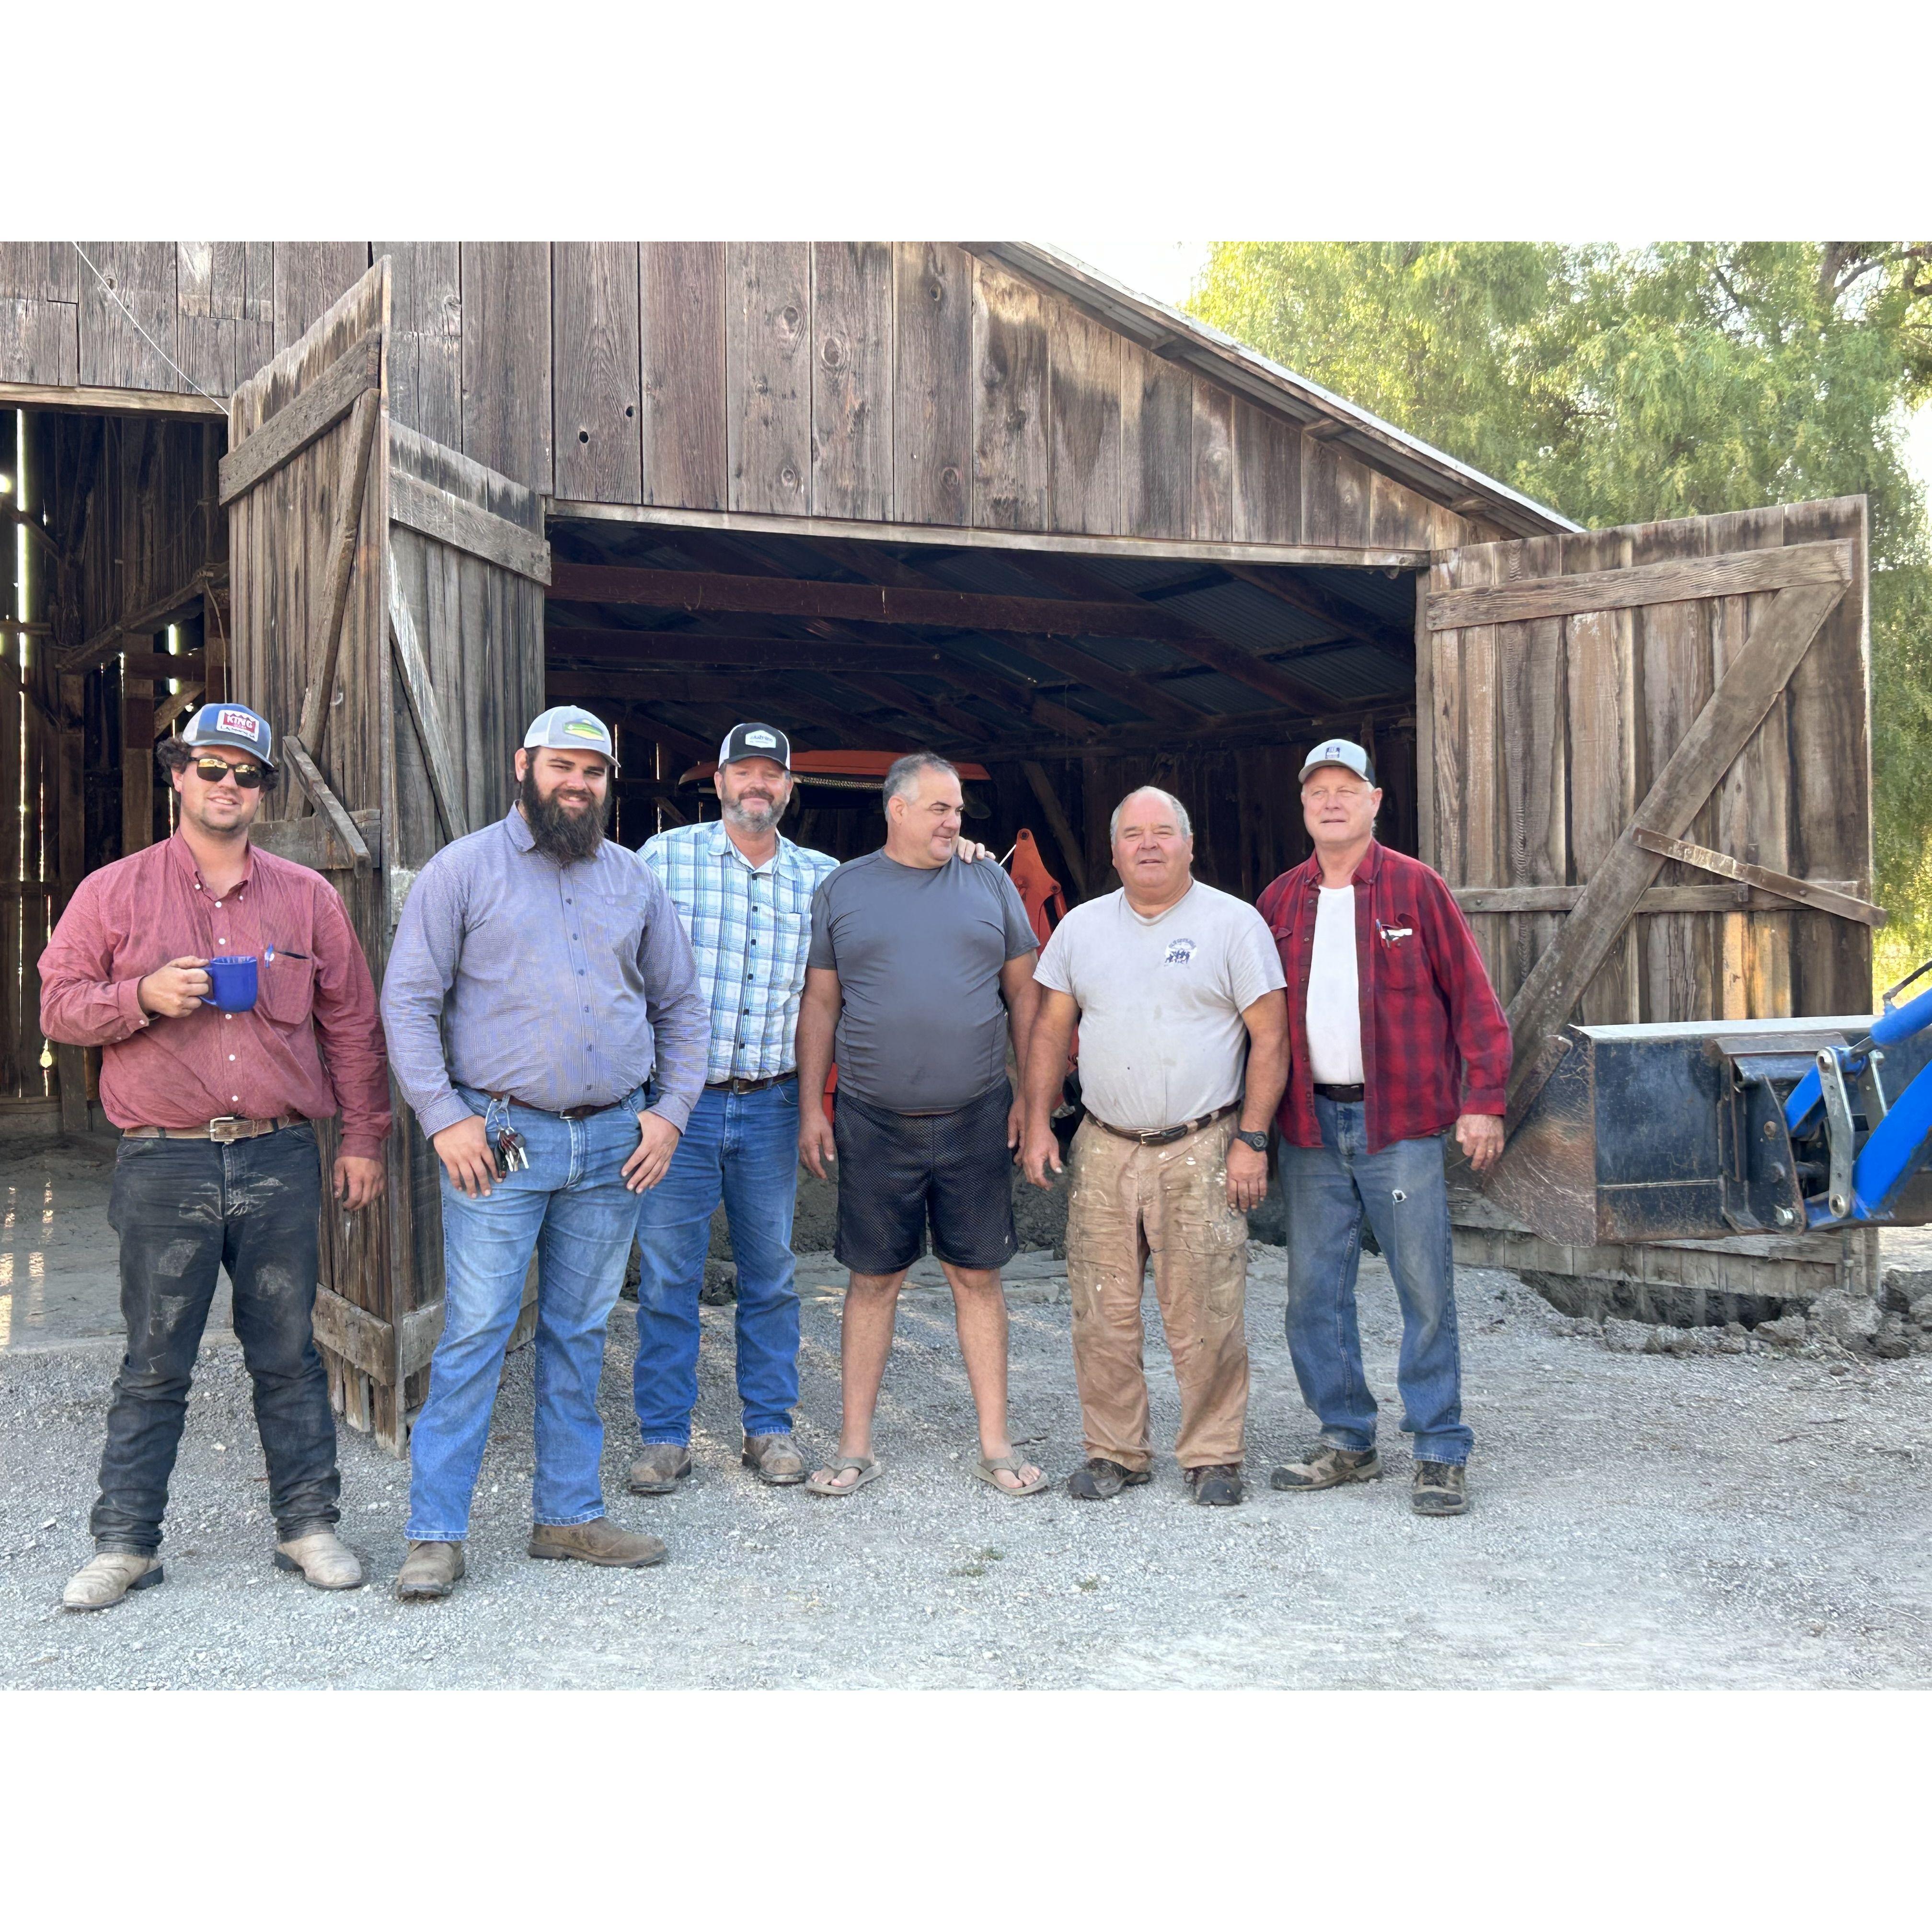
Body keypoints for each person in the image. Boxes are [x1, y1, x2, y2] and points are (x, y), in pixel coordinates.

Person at [41, 703, 391, 1611]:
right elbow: (58, 1007)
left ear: (263, 791)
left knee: (288, 1353)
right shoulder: (113, 892)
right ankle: (124, 1545)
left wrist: (363, 1137)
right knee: (154, 1361)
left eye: (247, 773)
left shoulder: (306, 897)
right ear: (178, 774)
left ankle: (308, 1528)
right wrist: (140, 995)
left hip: (279, 1155)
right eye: (211, 768)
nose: (228, 785)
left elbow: (353, 1026)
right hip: (165, 1162)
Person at [380, 707, 709, 1599]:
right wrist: (443, 1117)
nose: (579, 783)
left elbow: (680, 1005)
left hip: (614, 1144)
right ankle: (436, 1534)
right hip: (498, 1141)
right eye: (563, 765)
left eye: (594, 771)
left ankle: (566, 1516)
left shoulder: (633, 881)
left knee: (580, 1331)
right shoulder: (462, 871)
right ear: (524, 766)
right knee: (477, 1331)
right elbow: (407, 1001)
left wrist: (671, 1113)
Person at [1255, 738, 1509, 1518]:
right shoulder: (1278, 903)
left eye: (1347, 789)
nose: (1331, 802)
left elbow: (1473, 999)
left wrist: (1484, 1099)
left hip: (1398, 1124)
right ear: (1303, 806)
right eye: (1318, 791)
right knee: (1313, 1293)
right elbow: (1253, 1024)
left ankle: (1439, 1448)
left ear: (1374, 802)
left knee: (1423, 1287)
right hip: (1309, 1125)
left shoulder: (1415, 888)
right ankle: (1347, 1439)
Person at [1021, 787, 1287, 1506]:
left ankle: (1214, 1456)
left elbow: (1271, 1037)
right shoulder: (1081, 928)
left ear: (1190, 845)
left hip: (1203, 1142)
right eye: (1133, 834)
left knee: (1206, 1307)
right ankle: (1115, 1452)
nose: (1148, 844)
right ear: (1113, 852)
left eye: (1163, 832)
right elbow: (1050, 1030)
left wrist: (1253, 1138)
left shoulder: (1233, 924)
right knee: (1101, 1308)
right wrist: (1038, 1120)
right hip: (1105, 1143)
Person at [794, 752, 1045, 1498]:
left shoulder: (989, 881)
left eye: (958, 810)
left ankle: (996, 1445)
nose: (953, 821)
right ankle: (854, 1447)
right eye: (940, 808)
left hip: (977, 1114)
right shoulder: (844, 889)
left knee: (978, 1278)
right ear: (896, 809)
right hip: (874, 1120)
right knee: (872, 1283)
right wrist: (812, 1107)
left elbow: (1026, 997)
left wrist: (1032, 1100)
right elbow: (821, 1004)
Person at [627, 723, 837, 1492]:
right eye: (743, 772)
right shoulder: (662, 860)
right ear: (717, 782)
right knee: (668, 1276)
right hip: (678, 1110)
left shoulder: (822, 878)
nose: (757, 785)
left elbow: (830, 989)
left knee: (771, 1272)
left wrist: (969, 855)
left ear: (789, 788)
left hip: (773, 1103)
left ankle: (769, 1428)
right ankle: (664, 1437)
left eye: (771, 774)